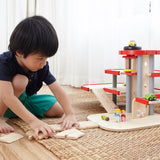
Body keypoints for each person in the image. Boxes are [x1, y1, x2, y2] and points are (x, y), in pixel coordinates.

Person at [0, 15, 78, 140]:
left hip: (25, 99)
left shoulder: (42, 66)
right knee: (20, 81)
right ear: (20, 52)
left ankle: (18, 112)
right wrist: (33, 121)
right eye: (40, 58)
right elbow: (6, 96)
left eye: (46, 58)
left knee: (58, 110)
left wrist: (70, 114)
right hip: (3, 99)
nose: (44, 63)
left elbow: (57, 89)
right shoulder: (4, 62)